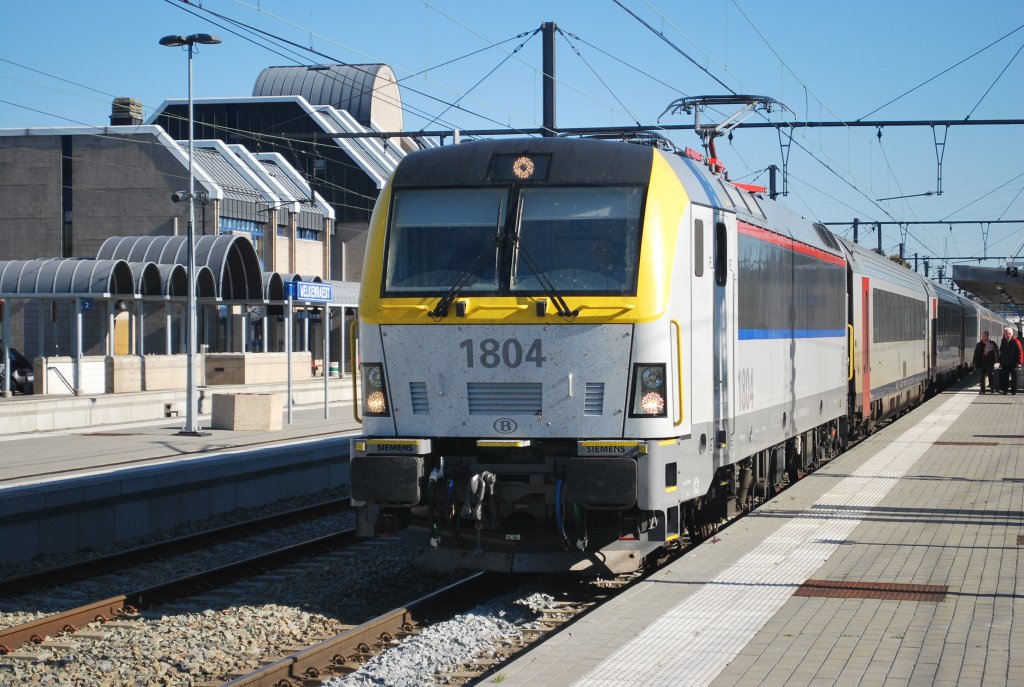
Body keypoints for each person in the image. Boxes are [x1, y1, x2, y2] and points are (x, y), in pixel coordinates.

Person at [997, 326, 1023, 395]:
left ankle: (1013, 391)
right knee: (1004, 377)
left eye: (1005, 333)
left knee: (1014, 378)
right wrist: (1000, 362)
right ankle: (1004, 390)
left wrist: (1019, 362)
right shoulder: (1003, 341)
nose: (1004, 335)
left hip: (1013, 363)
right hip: (1005, 362)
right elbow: (1001, 352)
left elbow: (1020, 352)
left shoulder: (1016, 341)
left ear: (1009, 334)